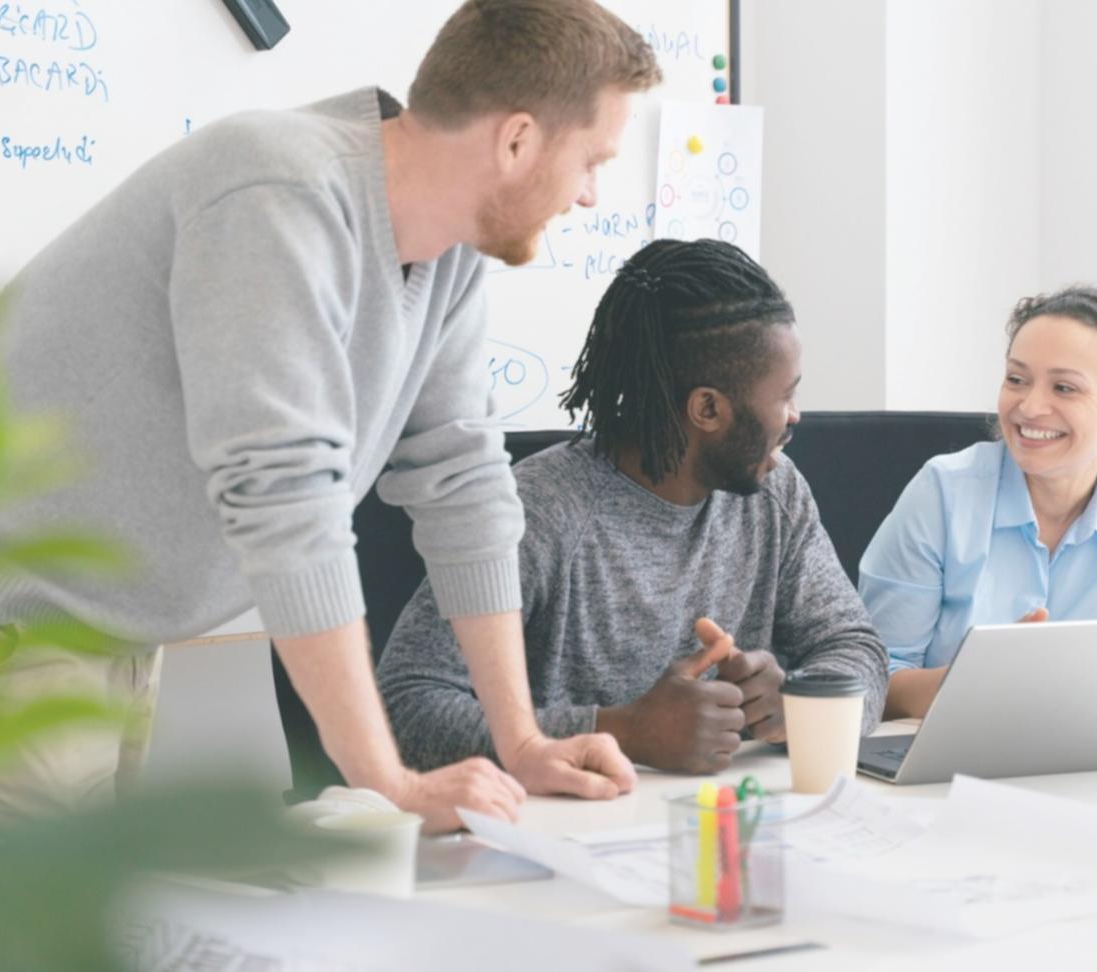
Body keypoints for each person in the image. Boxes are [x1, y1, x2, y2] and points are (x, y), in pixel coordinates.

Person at [0, 0, 662, 834]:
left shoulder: (445, 255)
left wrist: (520, 740)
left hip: (106, 627)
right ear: (516, 141)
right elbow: (285, 498)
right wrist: (387, 783)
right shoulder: (275, 191)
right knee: (49, 912)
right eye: (591, 161)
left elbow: (464, 482)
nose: (589, 195)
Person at [377, 239, 889, 774]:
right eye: (785, 396)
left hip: (728, 815)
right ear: (707, 409)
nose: (795, 415)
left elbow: (857, 649)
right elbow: (405, 710)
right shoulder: (541, 511)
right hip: (566, 817)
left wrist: (799, 703)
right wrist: (622, 731)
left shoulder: (775, 495)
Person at [860, 286, 1097, 719]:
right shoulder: (943, 495)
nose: (1029, 407)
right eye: (1016, 380)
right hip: (942, 752)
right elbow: (872, 682)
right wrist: (981, 678)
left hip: (1089, 756)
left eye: (1064, 387)